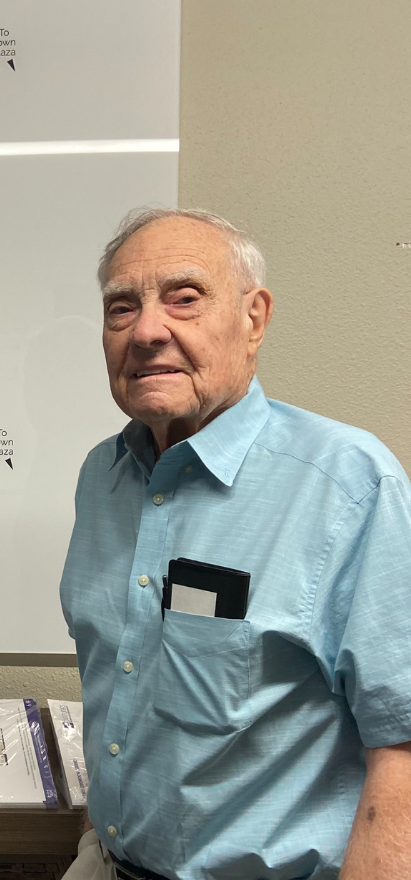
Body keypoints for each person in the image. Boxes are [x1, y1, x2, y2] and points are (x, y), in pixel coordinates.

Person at [59, 208, 411, 880]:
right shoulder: (101, 479)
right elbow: (120, 680)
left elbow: (403, 747)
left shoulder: (348, 485)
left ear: (254, 318)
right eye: (121, 308)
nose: (146, 331)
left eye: (183, 299)